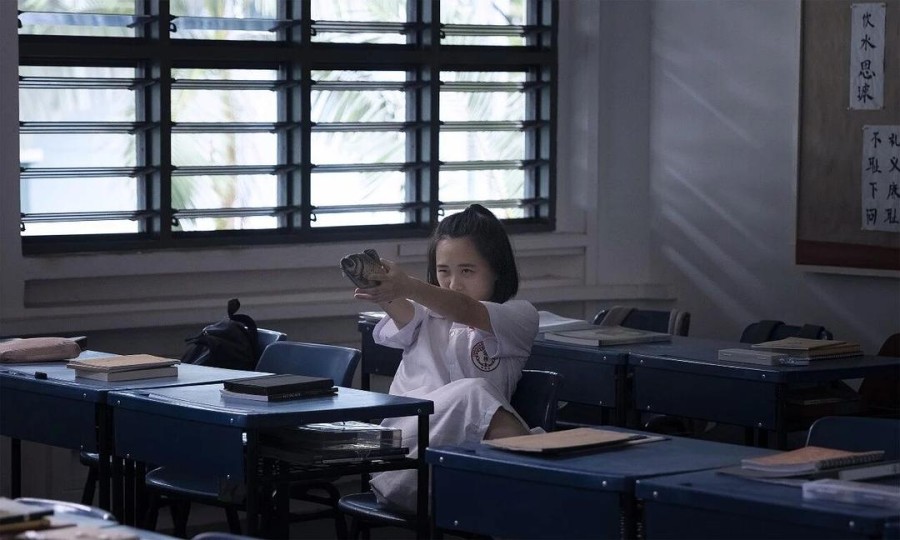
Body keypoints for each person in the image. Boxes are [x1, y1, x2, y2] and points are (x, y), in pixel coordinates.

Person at [352, 204, 539, 512]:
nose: (454, 283)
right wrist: (384, 289)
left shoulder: (518, 316)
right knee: (474, 393)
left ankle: (538, 495)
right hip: (403, 455)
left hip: (468, 463)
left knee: (473, 395)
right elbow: (404, 308)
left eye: (467, 271)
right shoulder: (422, 313)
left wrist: (408, 285)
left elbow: (466, 310)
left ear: (497, 270)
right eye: (443, 271)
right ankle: (544, 486)